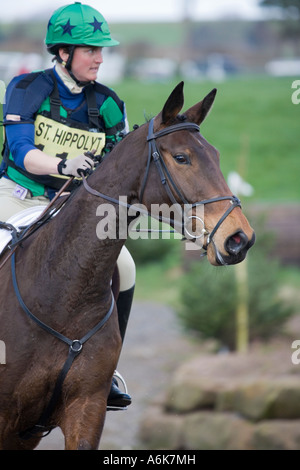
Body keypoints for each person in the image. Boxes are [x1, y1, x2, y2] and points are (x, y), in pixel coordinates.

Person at [0, 2, 135, 409]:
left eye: (101, 50)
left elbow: (120, 163)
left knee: (125, 266)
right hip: (18, 195)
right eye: (90, 50)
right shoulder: (25, 89)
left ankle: (106, 368)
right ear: (63, 52)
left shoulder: (108, 103)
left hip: (73, 211)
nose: (99, 58)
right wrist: (62, 164)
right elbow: (22, 151)